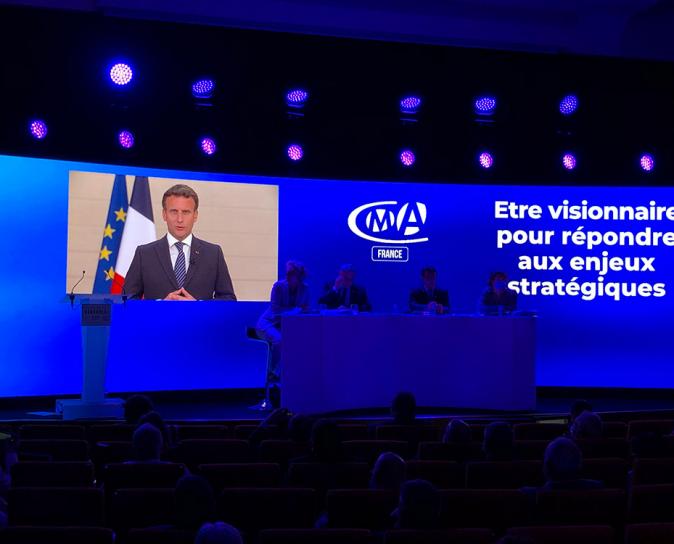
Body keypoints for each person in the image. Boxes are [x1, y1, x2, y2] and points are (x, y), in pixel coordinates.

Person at [124, 184, 237, 301]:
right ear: (164, 214)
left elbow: (228, 299)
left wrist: (199, 306)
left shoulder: (213, 254)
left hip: (199, 320)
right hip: (159, 319)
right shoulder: (144, 254)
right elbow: (127, 300)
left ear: (195, 215)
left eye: (186, 212)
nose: (179, 219)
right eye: (173, 212)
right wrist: (160, 305)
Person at [256, 260, 310, 382]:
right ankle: (272, 373)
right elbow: (276, 310)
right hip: (269, 323)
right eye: (293, 274)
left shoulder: (305, 288)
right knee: (279, 340)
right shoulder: (278, 287)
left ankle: (283, 376)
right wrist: (295, 310)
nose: (298, 278)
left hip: (287, 326)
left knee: (298, 342)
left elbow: (305, 308)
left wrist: (297, 311)